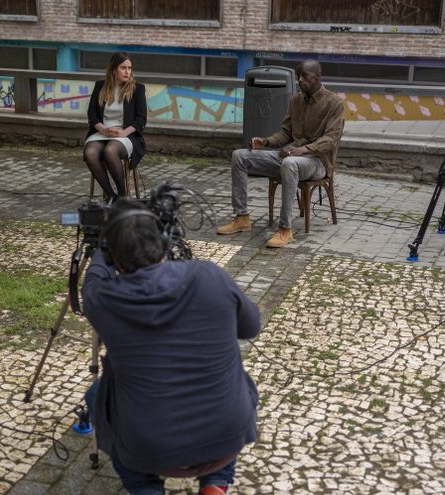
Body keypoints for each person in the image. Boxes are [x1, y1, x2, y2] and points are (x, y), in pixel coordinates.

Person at [82, 199, 261, 495]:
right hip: (227, 437)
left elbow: (93, 279)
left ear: (112, 256)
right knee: (238, 379)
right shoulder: (209, 275)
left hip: (150, 448)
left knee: (94, 395)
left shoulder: (102, 299)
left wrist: (100, 252)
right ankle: (216, 484)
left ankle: (146, 488)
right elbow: (251, 327)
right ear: (164, 241)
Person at [217, 60, 344, 248]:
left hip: (317, 162)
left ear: (317, 76)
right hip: (292, 157)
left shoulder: (334, 103)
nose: (300, 80)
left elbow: (331, 140)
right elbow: (286, 132)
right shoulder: (296, 100)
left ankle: (285, 229)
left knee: (290, 163)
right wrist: (267, 142)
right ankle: (242, 217)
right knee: (240, 156)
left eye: (305, 76)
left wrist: (302, 150)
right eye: (298, 76)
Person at [84, 52, 147, 202]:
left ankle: (123, 196)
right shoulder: (100, 86)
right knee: (90, 153)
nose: (127, 71)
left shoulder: (138, 89)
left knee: (110, 151)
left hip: (126, 135)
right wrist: (104, 130)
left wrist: (123, 132)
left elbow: (141, 119)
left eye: (129, 68)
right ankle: (112, 196)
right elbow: (92, 115)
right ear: (113, 69)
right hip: (102, 132)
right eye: (123, 67)